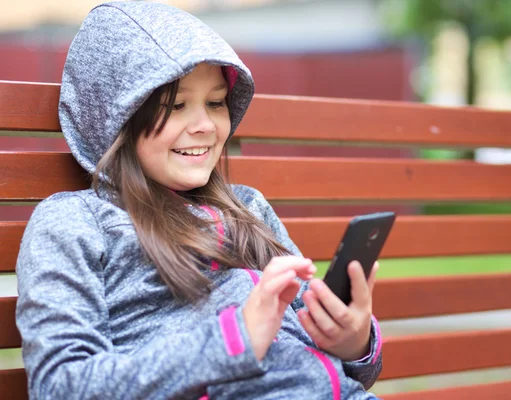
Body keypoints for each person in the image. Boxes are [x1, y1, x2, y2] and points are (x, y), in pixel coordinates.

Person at [15, 2, 383, 399]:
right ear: (117, 118)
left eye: (215, 102)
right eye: (176, 105)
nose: (206, 125)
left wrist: (352, 342)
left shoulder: (247, 207)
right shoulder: (75, 223)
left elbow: (336, 371)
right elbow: (59, 387)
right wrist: (232, 339)